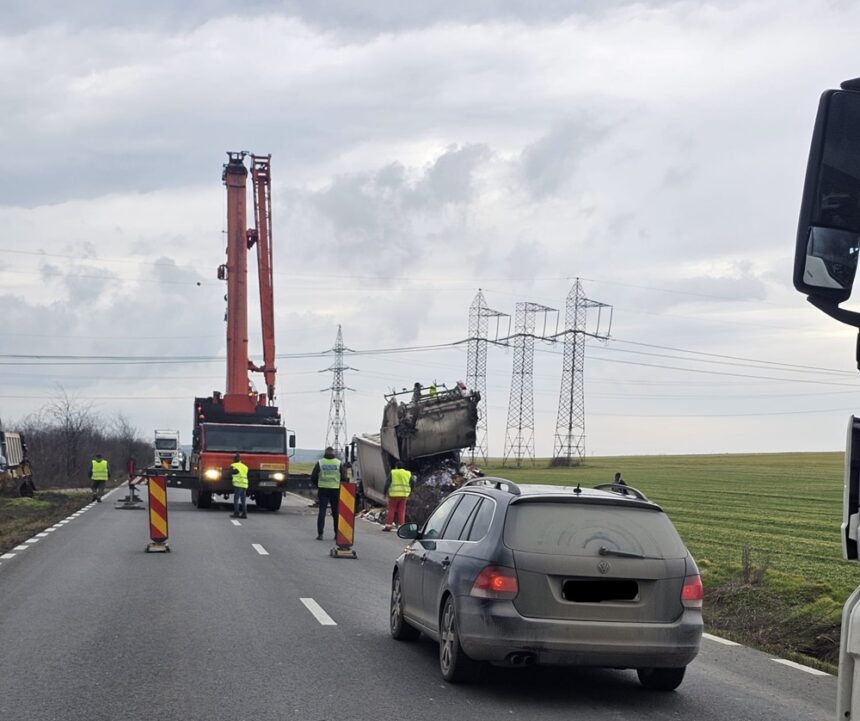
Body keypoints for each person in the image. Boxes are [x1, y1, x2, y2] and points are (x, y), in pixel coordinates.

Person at [311, 446, 347, 540]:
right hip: (335, 490)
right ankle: (337, 534)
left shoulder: (320, 462)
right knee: (335, 512)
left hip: (323, 489)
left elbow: (313, 477)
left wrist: (318, 484)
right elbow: (344, 478)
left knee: (322, 512)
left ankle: (320, 534)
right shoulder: (338, 463)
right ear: (333, 453)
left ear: (325, 453)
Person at [383, 460, 414, 532]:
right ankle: (401, 527)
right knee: (401, 510)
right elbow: (412, 483)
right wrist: (411, 492)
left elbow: (387, 483)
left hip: (394, 495)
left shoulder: (393, 472)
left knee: (391, 510)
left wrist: (384, 492)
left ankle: (388, 526)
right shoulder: (408, 473)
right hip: (404, 495)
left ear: (396, 467)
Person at [230, 453, 249, 519]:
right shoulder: (245, 467)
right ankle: (244, 514)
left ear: (234, 459)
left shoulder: (233, 465)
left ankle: (236, 513)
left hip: (238, 485)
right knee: (243, 500)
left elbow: (232, 473)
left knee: (236, 499)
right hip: (244, 484)